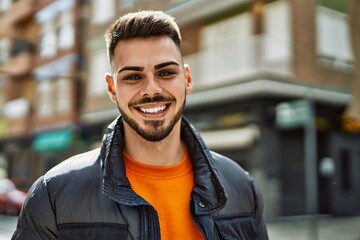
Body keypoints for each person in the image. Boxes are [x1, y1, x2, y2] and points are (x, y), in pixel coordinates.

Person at [12, 10, 268, 240]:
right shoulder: (53, 193)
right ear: (112, 88)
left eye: (166, 73)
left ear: (187, 79)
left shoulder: (242, 187)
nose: (152, 90)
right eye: (133, 77)